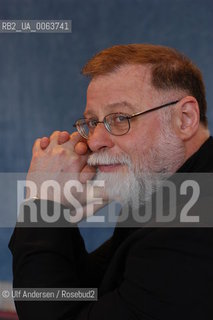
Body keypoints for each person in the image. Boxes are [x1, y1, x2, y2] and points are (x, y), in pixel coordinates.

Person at [9, 44, 213, 319]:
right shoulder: (163, 190)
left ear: (185, 118)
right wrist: (57, 216)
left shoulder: (194, 227)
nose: (94, 141)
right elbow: (96, 290)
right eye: (92, 122)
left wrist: (42, 205)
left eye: (120, 118)